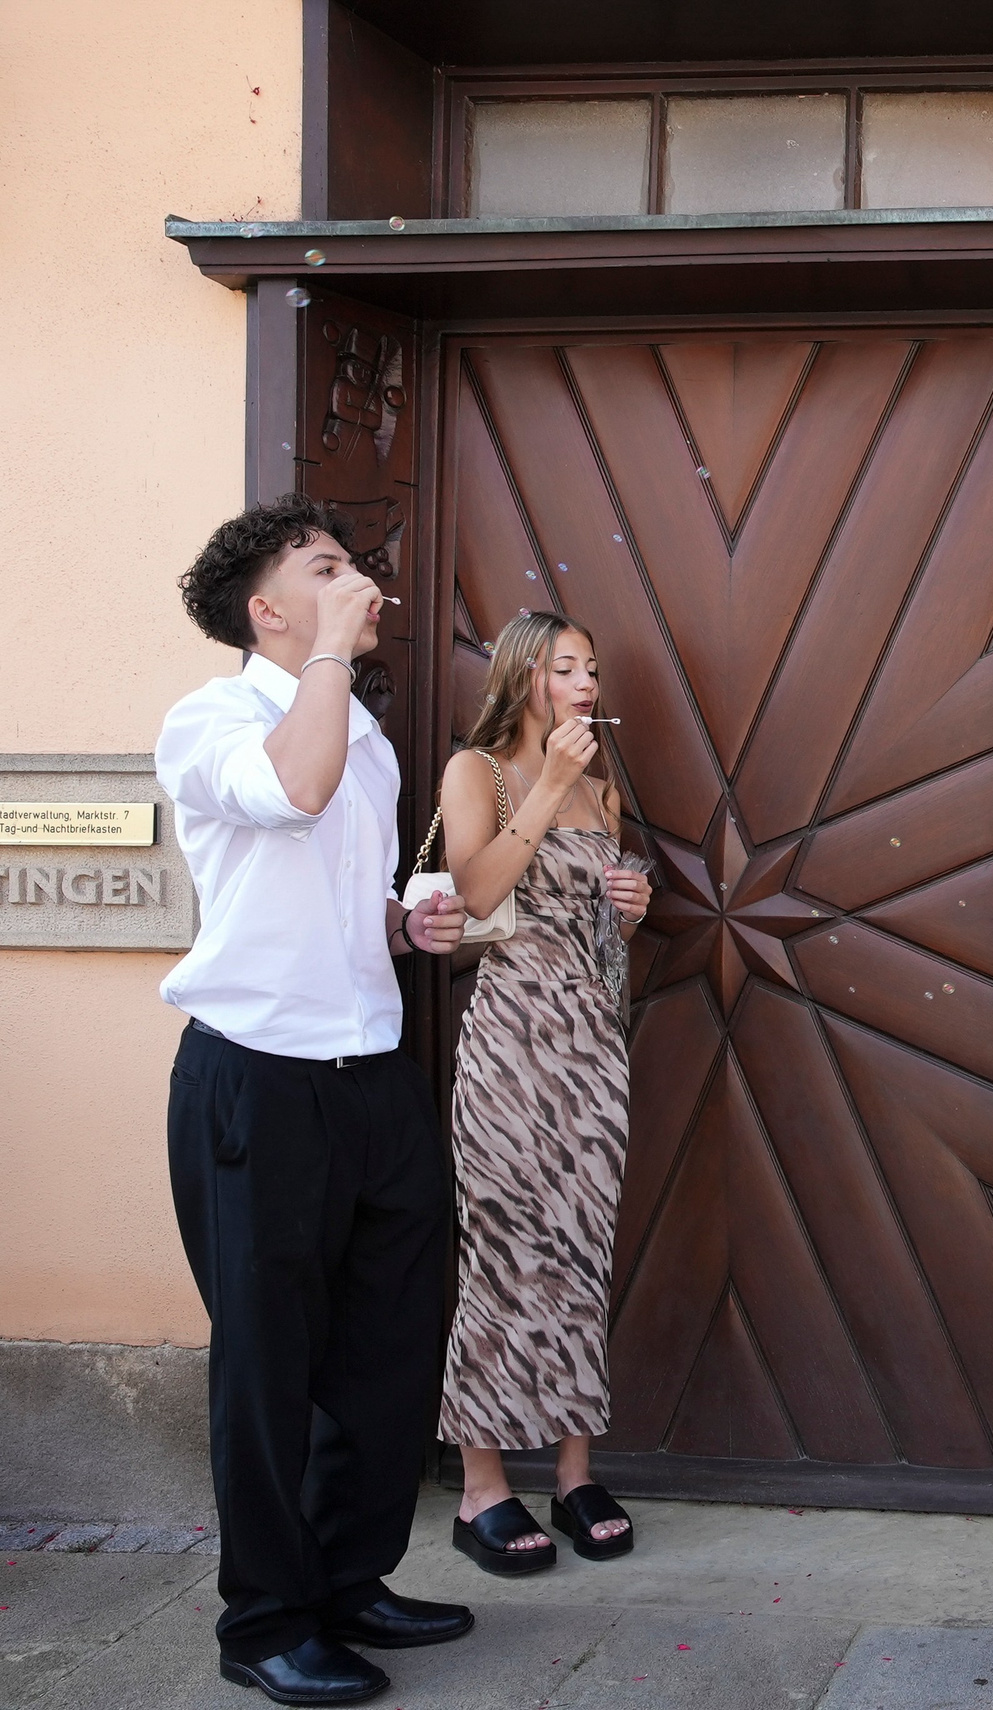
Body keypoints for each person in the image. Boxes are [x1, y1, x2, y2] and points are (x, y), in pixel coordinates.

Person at [157, 495, 473, 1706]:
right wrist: (333, 654)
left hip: (371, 1072)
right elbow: (288, 797)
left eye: (357, 564)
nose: (361, 580)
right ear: (267, 609)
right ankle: (266, 1622)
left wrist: (406, 924)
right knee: (268, 1362)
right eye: (327, 567)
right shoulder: (211, 717)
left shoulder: (372, 742)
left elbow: (328, 897)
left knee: (387, 1350)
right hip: (257, 1076)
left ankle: (349, 1582)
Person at [437, 612, 652, 1572]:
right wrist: (551, 783)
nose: (584, 682)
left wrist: (631, 915)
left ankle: (573, 1471)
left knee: (580, 1249)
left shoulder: (604, 798)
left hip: (590, 1045)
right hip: (509, 1042)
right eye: (565, 666)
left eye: (592, 668)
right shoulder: (474, 773)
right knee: (500, 1249)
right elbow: (477, 894)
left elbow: (602, 948)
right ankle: (483, 1485)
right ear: (525, 675)